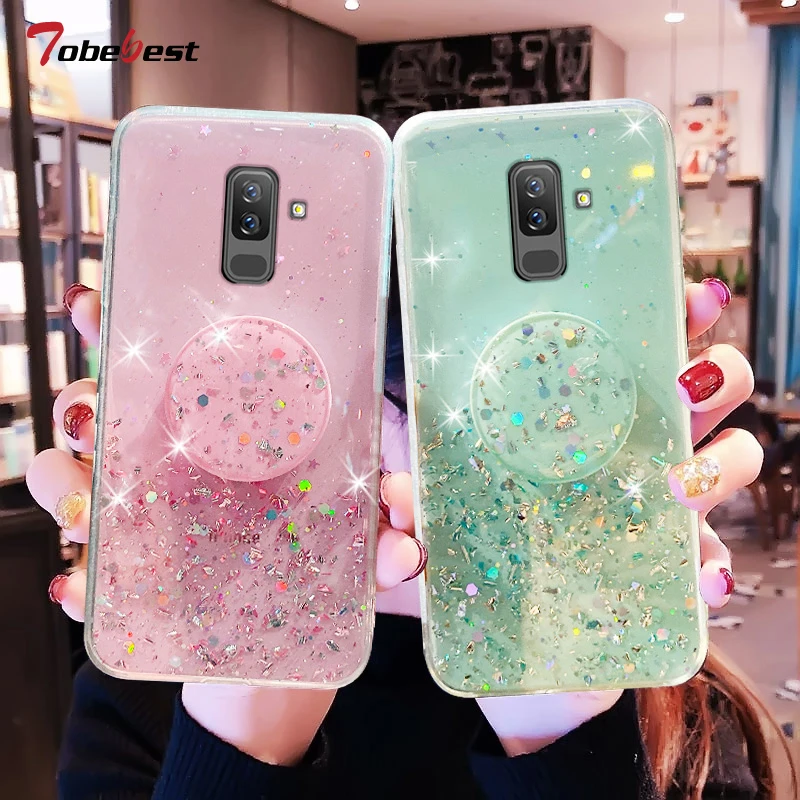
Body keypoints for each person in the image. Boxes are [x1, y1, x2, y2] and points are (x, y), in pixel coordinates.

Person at [26, 277, 793, 800]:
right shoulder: (149, 687)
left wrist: (561, 711)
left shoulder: (671, 703)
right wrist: (242, 710)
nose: (400, 458)